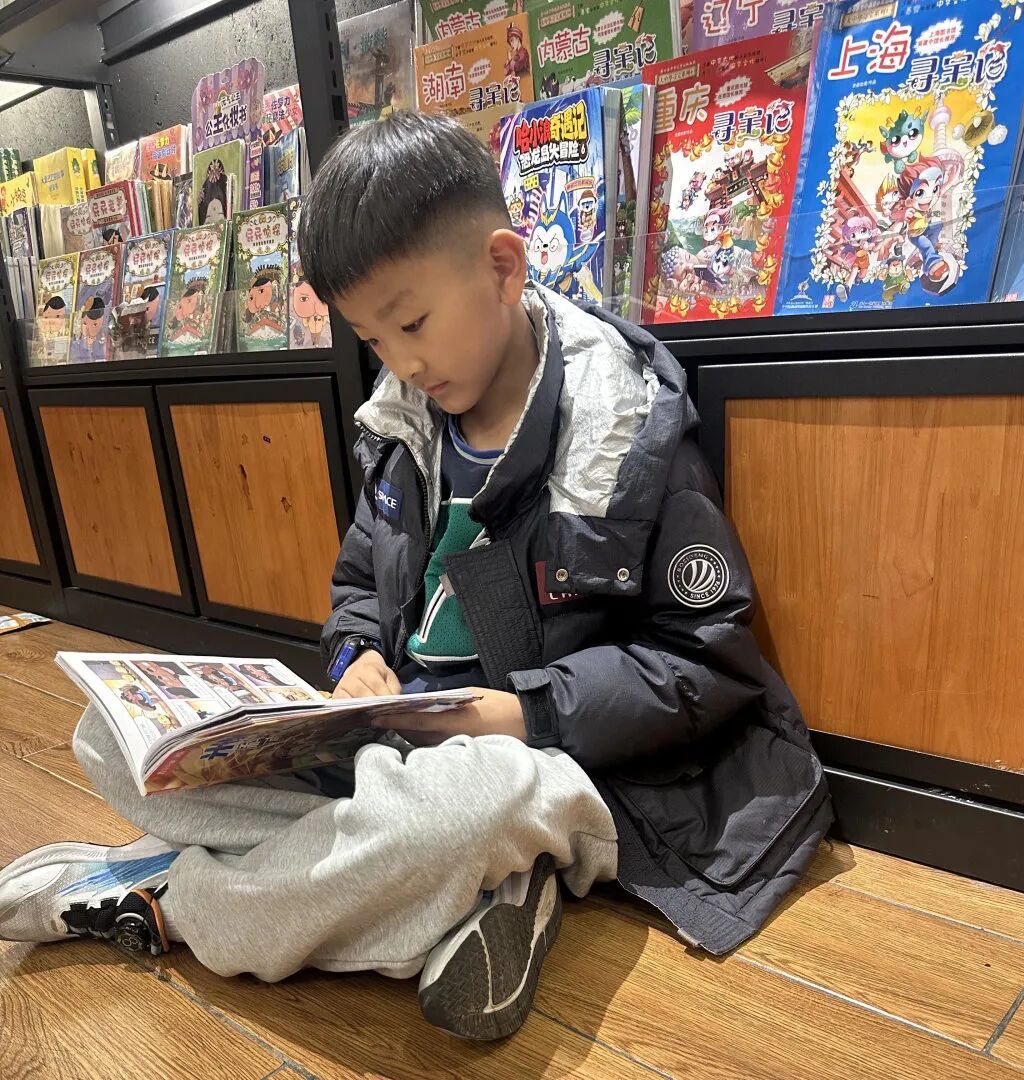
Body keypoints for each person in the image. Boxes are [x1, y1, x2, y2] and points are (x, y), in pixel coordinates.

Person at [0, 112, 830, 1042]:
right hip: (396, 739)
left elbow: (702, 663)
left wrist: (519, 713)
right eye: (372, 339)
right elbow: (359, 581)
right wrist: (354, 656)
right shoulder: (403, 429)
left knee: (461, 811)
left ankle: (172, 900)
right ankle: (464, 893)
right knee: (110, 737)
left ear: (502, 269)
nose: (402, 363)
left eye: (412, 324)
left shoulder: (623, 433)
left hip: (544, 759)